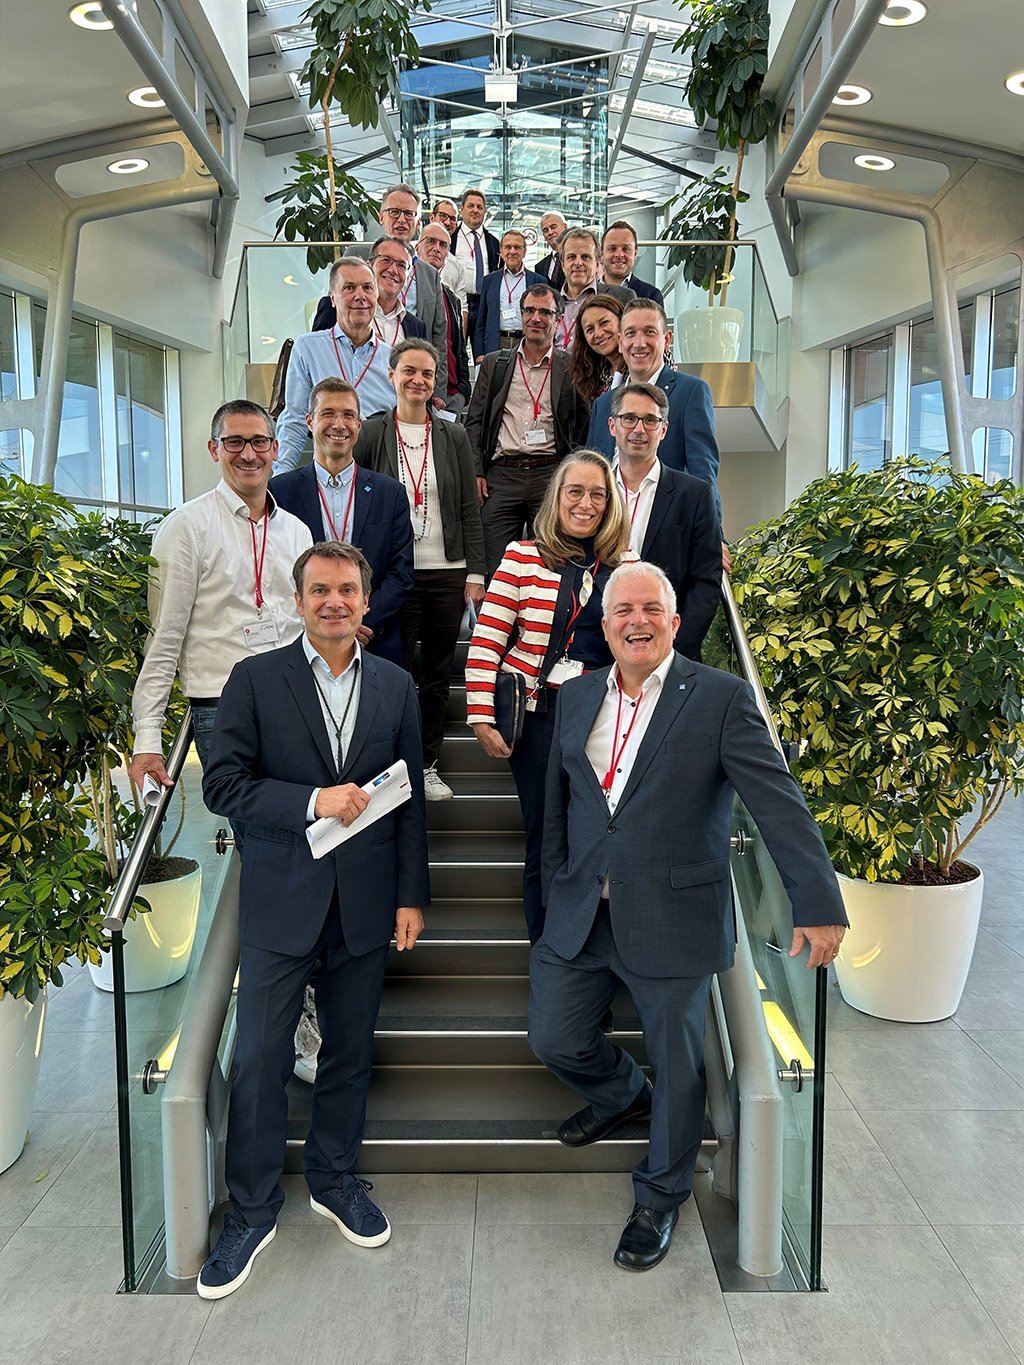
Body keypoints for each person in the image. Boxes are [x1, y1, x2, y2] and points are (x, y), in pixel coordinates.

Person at [530, 560, 848, 1272]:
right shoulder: (577, 696)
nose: (637, 621)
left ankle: (661, 1195)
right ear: (604, 625)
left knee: (679, 1066)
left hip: (673, 915)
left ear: (674, 622)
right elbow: (559, 805)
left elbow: (776, 801)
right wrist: (554, 887)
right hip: (583, 909)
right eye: (623, 610)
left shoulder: (721, 697)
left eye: (651, 608)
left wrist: (817, 902)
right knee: (552, 1035)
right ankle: (622, 1093)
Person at [197, 540, 429, 1299]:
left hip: (365, 903)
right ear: (297, 601)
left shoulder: (396, 684)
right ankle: (252, 1208)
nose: (335, 601)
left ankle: (334, 1179)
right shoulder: (254, 679)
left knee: (349, 1053)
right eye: (320, 590)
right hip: (281, 899)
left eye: (348, 590)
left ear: (366, 601)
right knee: (261, 1056)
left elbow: (408, 801)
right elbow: (223, 785)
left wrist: (410, 896)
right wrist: (312, 800)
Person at [466, 450, 632, 942]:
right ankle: (548, 952)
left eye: (598, 494)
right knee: (545, 836)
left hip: (602, 720)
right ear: (556, 497)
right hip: (538, 718)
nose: (586, 503)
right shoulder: (521, 556)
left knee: (596, 834)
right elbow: (488, 640)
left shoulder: (626, 567)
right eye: (575, 492)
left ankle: (590, 946)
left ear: (610, 503)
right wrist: (481, 716)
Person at [129, 400, 312, 795]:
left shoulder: (297, 531)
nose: (248, 454)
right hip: (223, 705)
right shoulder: (185, 528)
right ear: (214, 449)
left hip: (294, 699)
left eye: (259, 442)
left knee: (298, 817)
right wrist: (147, 738)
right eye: (234, 442)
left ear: (275, 449)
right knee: (252, 820)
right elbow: (164, 637)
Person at [354, 340, 486, 801]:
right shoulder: (372, 433)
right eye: (409, 371)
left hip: (447, 571)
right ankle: (393, 765)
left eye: (427, 373)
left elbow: (468, 507)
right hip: (395, 574)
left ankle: (426, 764)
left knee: (436, 674)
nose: (418, 380)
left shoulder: (453, 435)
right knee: (395, 671)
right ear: (391, 375)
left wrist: (476, 571)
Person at [269, 377, 413, 665]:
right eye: (328, 413)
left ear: (359, 425)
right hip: (302, 642)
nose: (339, 424)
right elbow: (275, 570)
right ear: (310, 421)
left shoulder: (390, 493)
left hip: (375, 641)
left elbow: (401, 573)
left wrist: (356, 618)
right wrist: (321, 621)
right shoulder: (280, 492)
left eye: (348, 415)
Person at [465, 283, 591, 577]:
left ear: (558, 319)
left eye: (545, 312)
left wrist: (572, 474)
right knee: (496, 567)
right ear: (521, 315)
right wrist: (477, 471)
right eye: (530, 310)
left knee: (549, 565)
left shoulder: (571, 367)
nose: (536, 318)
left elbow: (582, 425)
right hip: (502, 476)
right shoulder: (495, 364)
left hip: (550, 475)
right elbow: (474, 421)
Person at [609, 382, 721, 659]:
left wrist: (671, 648)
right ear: (612, 426)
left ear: (664, 429)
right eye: (629, 418)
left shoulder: (694, 495)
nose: (639, 429)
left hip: (667, 653)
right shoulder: (593, 492)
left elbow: (705, 582)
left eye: (650, 420)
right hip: (597, 652)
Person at [587, 300, 720, 514]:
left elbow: (704, 475)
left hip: (665, 524)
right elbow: (591, 472)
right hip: (608, 524)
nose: (639, 343)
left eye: (649, 332)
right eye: (630, 333)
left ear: (666, 340)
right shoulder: (603, 404)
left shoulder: (690, 393)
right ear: (620, 342)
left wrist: (712, 529)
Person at [276, 258, 395, 472]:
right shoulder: (308, 349)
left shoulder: (393, 359)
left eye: (368, 288)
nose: (360, 296)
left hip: (380, 473)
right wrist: (280, 476)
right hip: (326, 470)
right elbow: (294, 418)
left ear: (376, 296)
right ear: (332, 299)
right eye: (349, 287)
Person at [311, 186, 448, 365]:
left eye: (409, 214)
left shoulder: (430, 274)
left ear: (417, 222)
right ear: (381, 217)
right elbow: (319, 351)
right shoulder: (355, 255)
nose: (401, 219)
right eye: (394, 212)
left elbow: (438, 338)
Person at [416, 225, 472, 415]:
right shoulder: (409, 294)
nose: (436, 249)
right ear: (417, 247)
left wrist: (463, 389)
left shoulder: (451, 297)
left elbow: (458, 347)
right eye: (430, 241)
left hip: (453, 394)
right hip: (422, 393)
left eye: (443, 245)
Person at [557, 228, 635, 351]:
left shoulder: (622, 297)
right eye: (571, 257)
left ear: (597, 264)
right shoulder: (550, 302)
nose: (578, 263)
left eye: (585, 257)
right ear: (562, 265)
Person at [473, 229, 544, 362]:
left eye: (517, 247)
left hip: (526, 343)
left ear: (524, 252)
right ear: (501, 251)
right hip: (496, 344)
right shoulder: (489, 281)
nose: (512, 251)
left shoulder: (538, 281)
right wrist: (479, 353)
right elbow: (481, 320)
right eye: (507, 247)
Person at [451, 188, 500, 349]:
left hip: (483, 304)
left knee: (483, 352)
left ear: (485, 211)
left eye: (479, 207)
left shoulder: (494, 242)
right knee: (457, 349)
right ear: (462, 209)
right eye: (470, 206)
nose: (475, 210)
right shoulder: (450, 239)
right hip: (457, 302)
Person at [367, 237, 428, 349]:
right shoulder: (341, 312)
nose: (393, 270)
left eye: (401, 265)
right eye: (386, 260)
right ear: (369, 266)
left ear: (408, 277)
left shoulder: (417, 327)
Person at [568, 292, 627, 403]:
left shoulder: (640, 366)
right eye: (590, 329)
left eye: (604, 322)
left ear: (622, 320)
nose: (598, 334)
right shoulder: (595, 376)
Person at [428, 200, 474, 326]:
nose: (447, 222)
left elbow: (462, 308)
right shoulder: (412, 254)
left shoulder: (456, 265)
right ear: (432, 217)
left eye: (453, 219)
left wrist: (461, 338)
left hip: (446, 330)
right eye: (443, 216)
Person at [601, 221, 665, 304]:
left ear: (635, 253)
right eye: (612, 249)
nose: (619, 255)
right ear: (601, 253)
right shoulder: (587, 292)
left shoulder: (651, 295)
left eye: (626, 249)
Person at [535, 211, 567, 290]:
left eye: (553, 227)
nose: (550, 232)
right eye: (545, 230)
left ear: (565, 227)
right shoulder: (540, 267)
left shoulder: (577, 259)